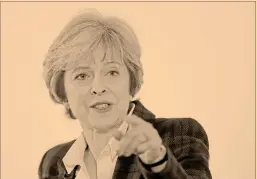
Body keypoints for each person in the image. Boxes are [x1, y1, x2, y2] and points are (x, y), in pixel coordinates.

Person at [38, 9, 212, 179]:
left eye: (112, 72)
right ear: (63, 90)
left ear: (131, 80)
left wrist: (157, 161)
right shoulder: (54, 161)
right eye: (82, 75)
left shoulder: (177, 135)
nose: (98, 87)